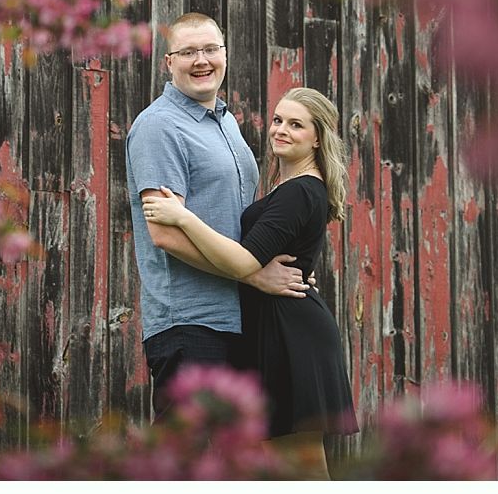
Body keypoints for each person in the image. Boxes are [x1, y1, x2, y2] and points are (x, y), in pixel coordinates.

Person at [142, 87, 359, 479]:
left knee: (301, 465)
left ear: (317, 137)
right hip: (276, 327)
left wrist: (183, 216)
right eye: (278, 120)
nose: (281, 130)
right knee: (280, 466)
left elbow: (244, 259)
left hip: (291, 333)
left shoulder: (299, 191)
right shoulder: (289, 188)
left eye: (296, 125)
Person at [126, 12, 311, 422]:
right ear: (169, 61)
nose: (201, 60)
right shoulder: (160, 127)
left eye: (210, 49)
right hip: (191, 322)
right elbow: (166, 235)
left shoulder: (225, 122)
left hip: (239, 319)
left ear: (225, 54)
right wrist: (253, 274)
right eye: (188, 51)